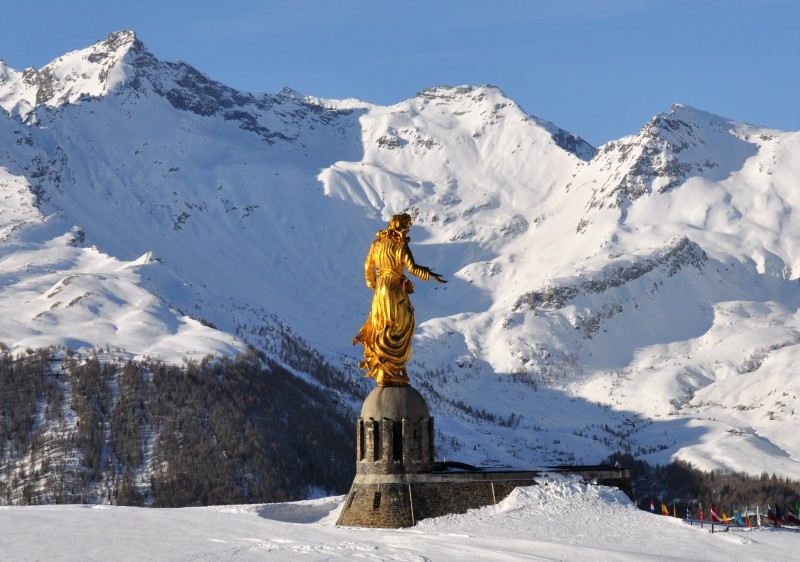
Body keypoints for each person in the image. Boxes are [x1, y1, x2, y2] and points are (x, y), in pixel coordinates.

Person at [353, 213, 446, 386]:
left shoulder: (376, 244)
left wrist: (374, 286)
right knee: (404, 323)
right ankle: (394, 365)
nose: (408, 230)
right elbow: (412, 268)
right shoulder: (400, 246)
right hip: (395, 288)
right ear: (401, 227)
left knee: (381, 325)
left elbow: (368, 268)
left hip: (381, 289)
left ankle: (383, 366)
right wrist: (429, 274)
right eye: (407, 226)